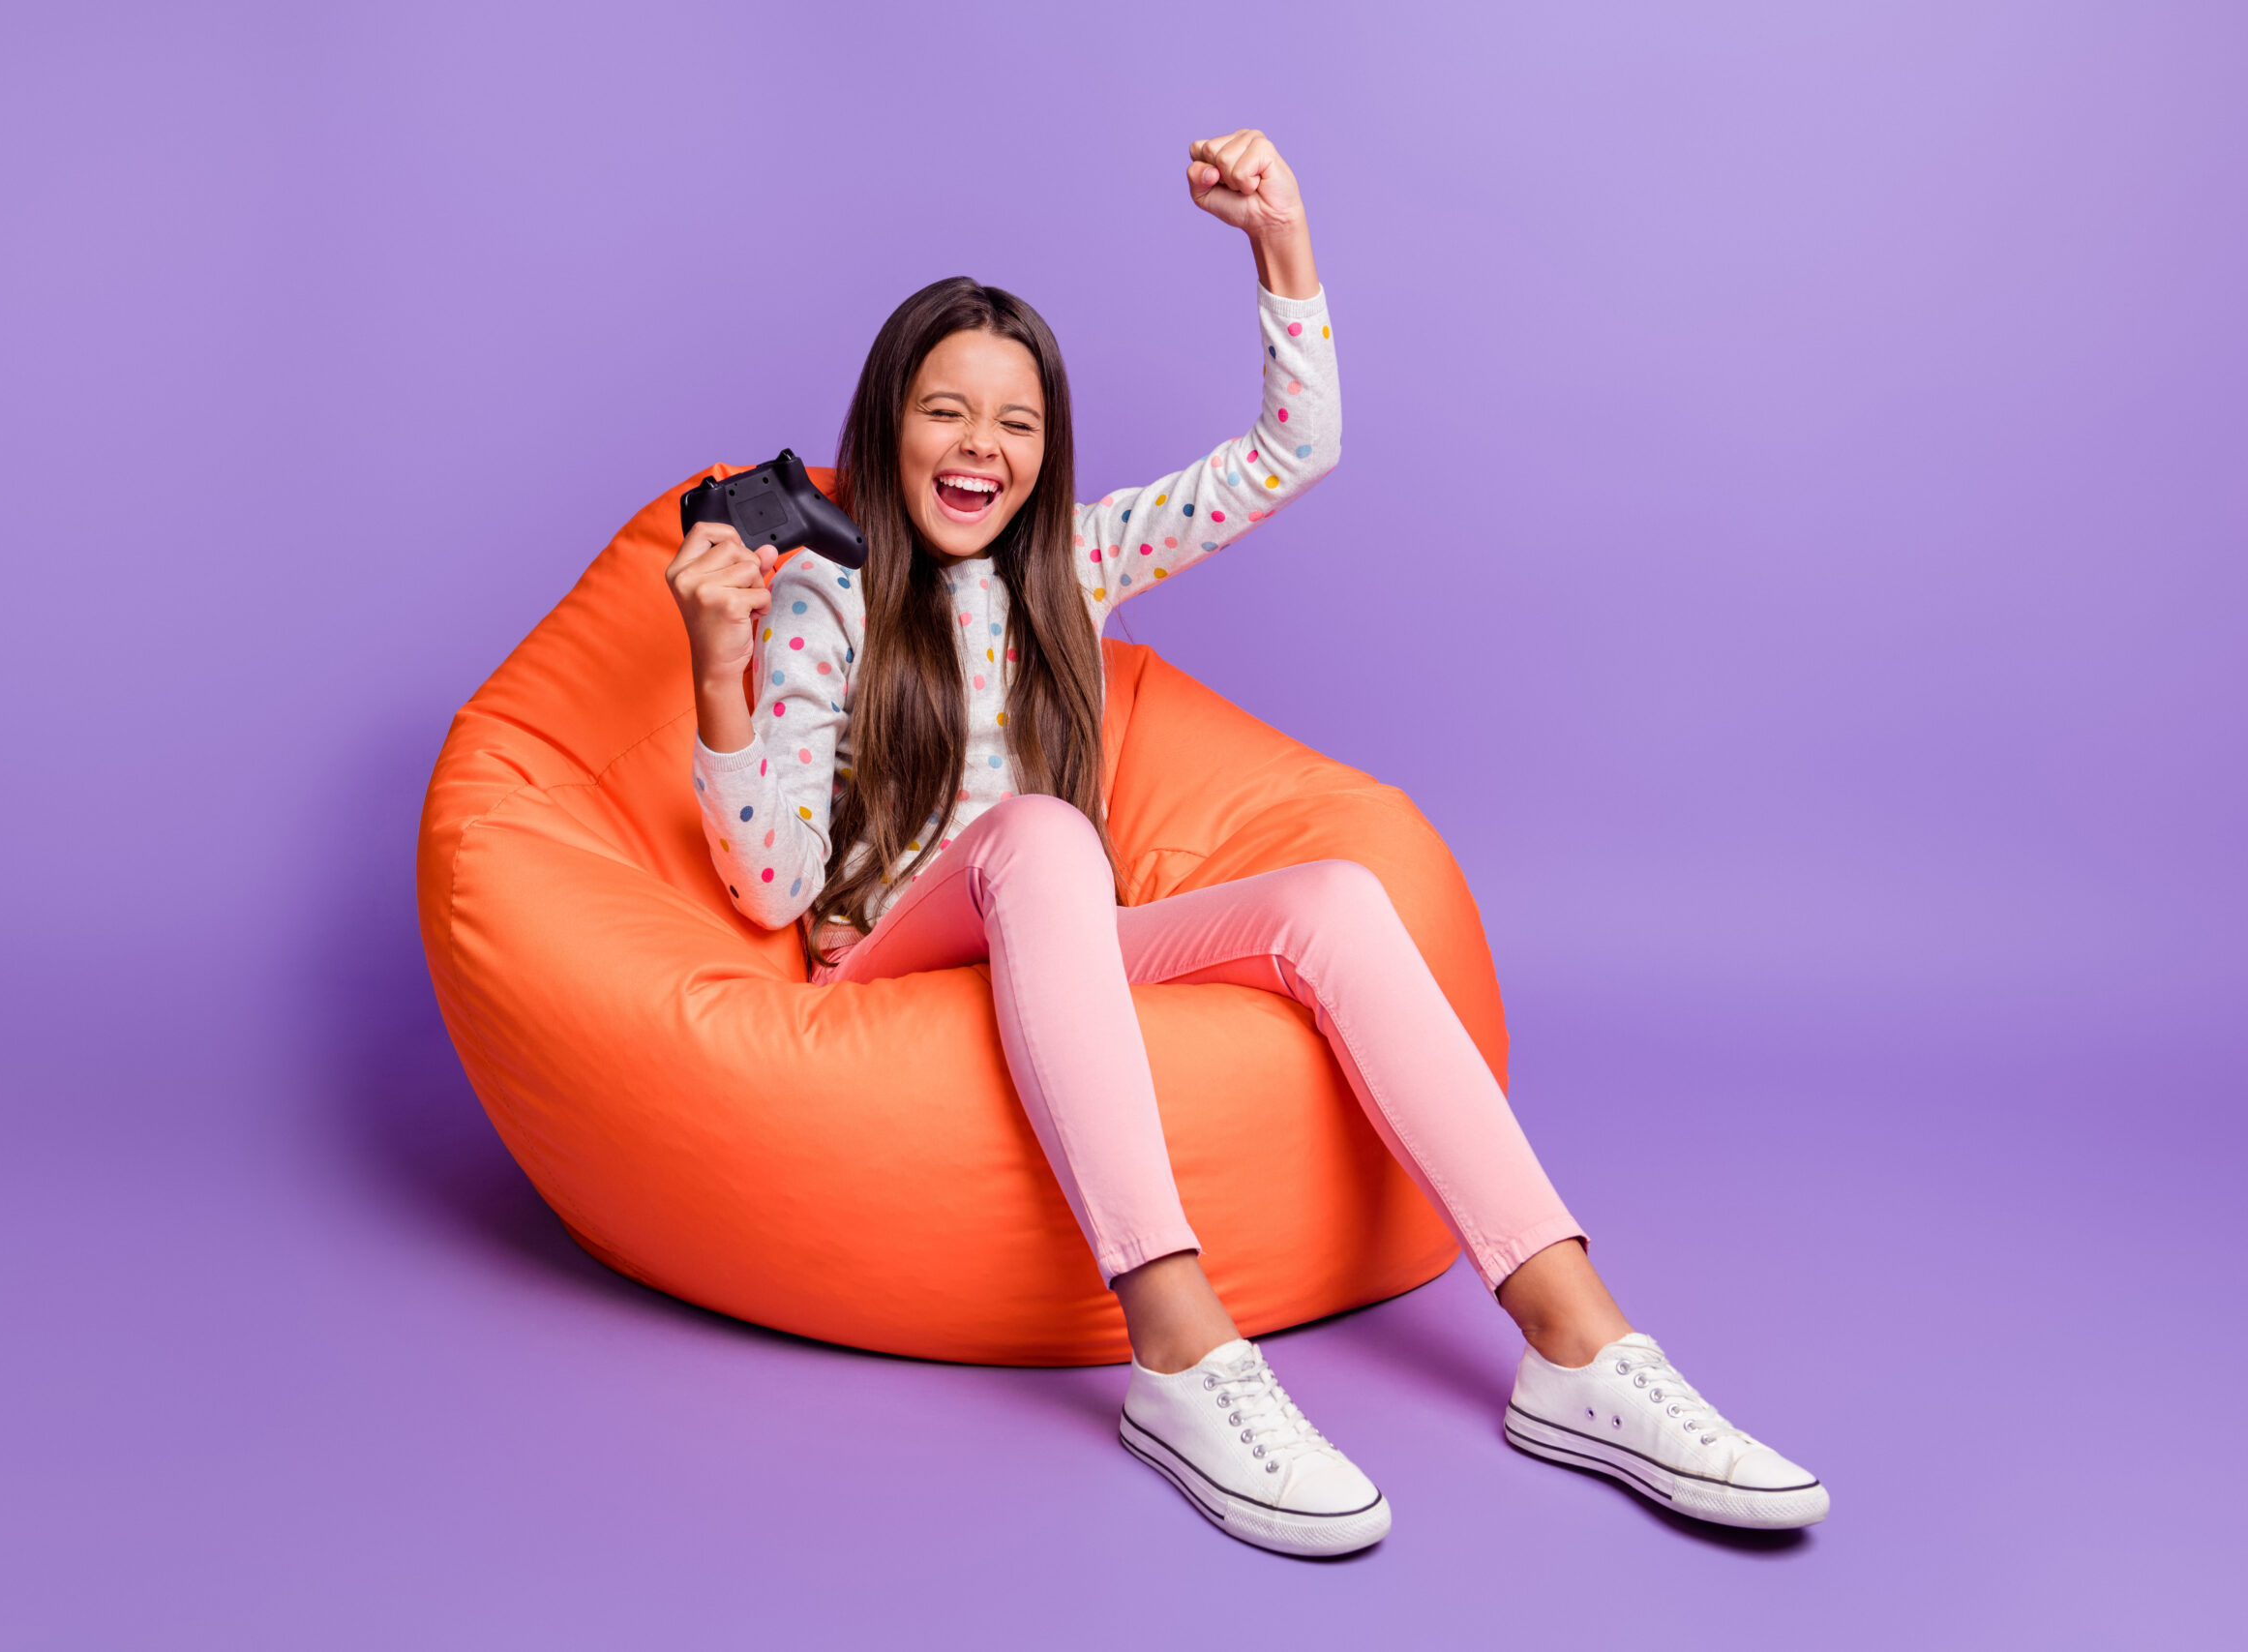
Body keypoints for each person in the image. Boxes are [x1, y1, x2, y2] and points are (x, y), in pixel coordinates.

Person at [665, 130, 1827, 1557]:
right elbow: (771, 885)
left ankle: (1577, 1344)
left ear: (1050, 449)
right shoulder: (821, 602)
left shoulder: (1075, 566)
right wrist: (721, 668)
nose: (982, 447)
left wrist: (1281, 242)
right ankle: (1177, 1347)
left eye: (1016, 423)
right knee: (1040, 834)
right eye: (945, 412)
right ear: (883, 428)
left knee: (1333, 898)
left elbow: (1295, 451)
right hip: (895, 966)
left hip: (1055, 944)